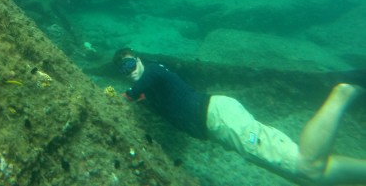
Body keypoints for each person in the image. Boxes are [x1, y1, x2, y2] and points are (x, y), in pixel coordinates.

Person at [113, 48, 366, 185]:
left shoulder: (153, 71)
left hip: (219, 119)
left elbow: (134, 92)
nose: (129, 71)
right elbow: (146, 96)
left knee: (306, 167)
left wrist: (116, 97)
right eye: (123, 70)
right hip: (219, 119)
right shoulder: (151, 83)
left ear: (138, 59)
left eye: (130, 64)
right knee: (311, 177)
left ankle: (343, 91)